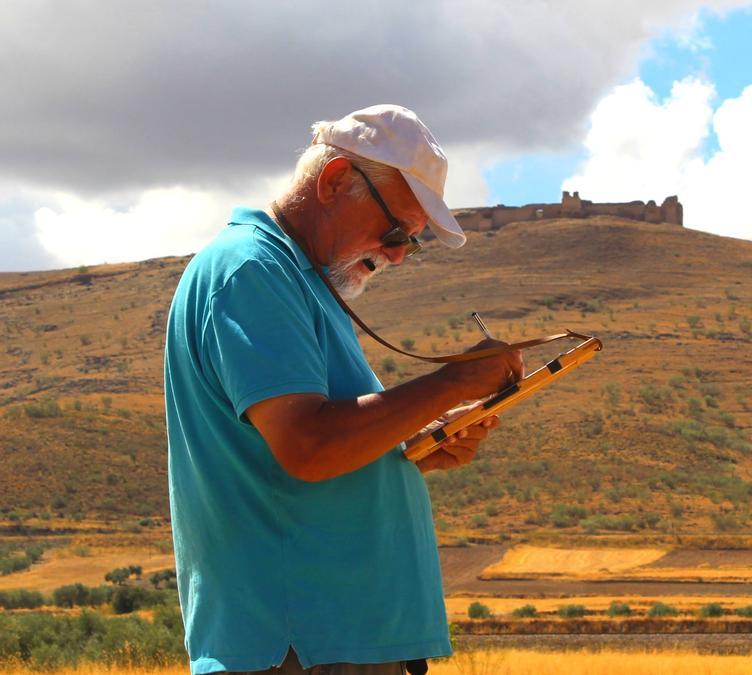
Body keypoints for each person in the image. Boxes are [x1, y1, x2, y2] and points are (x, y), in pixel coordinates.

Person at [163, 105, 523, 675]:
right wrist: (451, 381)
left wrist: (415, 444)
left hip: (331, 645)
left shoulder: (294, 280)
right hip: (300, 647)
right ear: (334, 181)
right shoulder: (253, 271)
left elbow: (310, 450)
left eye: (412, 241)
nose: (400, 254)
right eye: (395, 231)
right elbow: (309, 445)